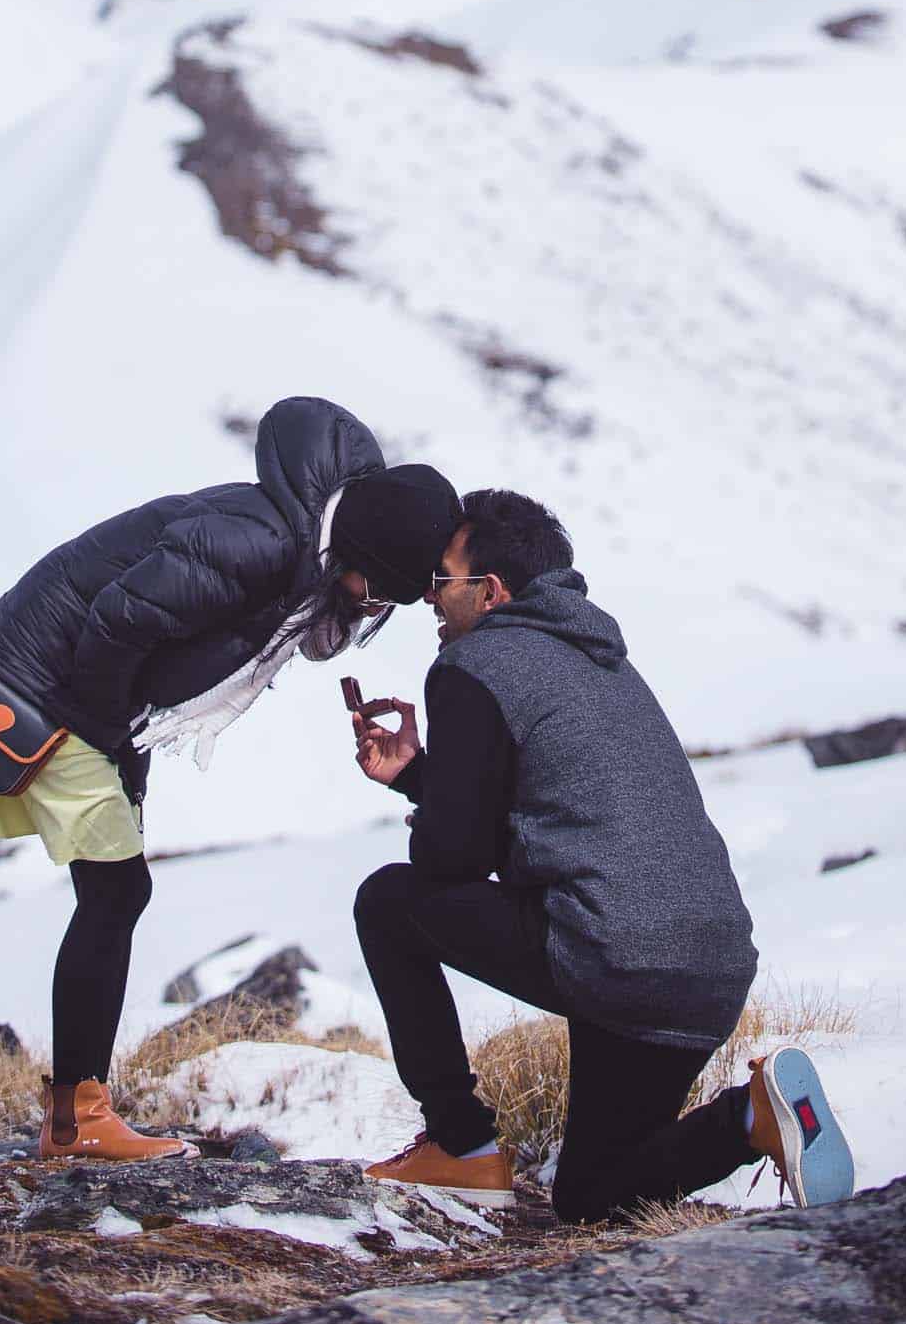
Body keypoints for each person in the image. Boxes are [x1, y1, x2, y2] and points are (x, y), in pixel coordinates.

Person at [0, 396, 460, 1163]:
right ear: (360, 556)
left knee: (114, 894)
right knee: (115, 895)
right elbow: (119, 621)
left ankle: (74, 1115)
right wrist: (112, 739)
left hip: (83, 692)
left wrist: (122, 740)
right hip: (43, 686)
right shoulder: (259, 544)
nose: (371, 607)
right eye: (378, 591)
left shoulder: (294, 543)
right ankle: (76, 1121)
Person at [349, 488, 854, 1222]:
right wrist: (425, 775)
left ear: (489, 593)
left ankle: (460, 1145)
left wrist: (434, 795)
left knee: (387, 902)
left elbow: (453, 859)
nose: (429, 598)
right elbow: (536, 804)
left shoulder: (476, 664)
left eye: (441, 581)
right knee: (592, 1195)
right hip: (705, 970)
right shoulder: (600, 659)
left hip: (612, 952)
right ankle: (755, 1118)